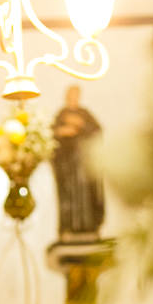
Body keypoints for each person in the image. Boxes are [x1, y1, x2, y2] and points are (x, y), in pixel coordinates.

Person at [51, 84, 105, 241]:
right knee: (69, 196)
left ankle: (90, 227)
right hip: (67, 167)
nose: (73, 98)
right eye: (71, 95)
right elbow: (52, 135)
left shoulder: (85, 114)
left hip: (84, 165)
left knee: (88, 195)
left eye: (76, 95)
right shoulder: (61, 115)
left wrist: (81, 125)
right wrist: (62, 132)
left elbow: (96, 131)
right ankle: (69, 229)